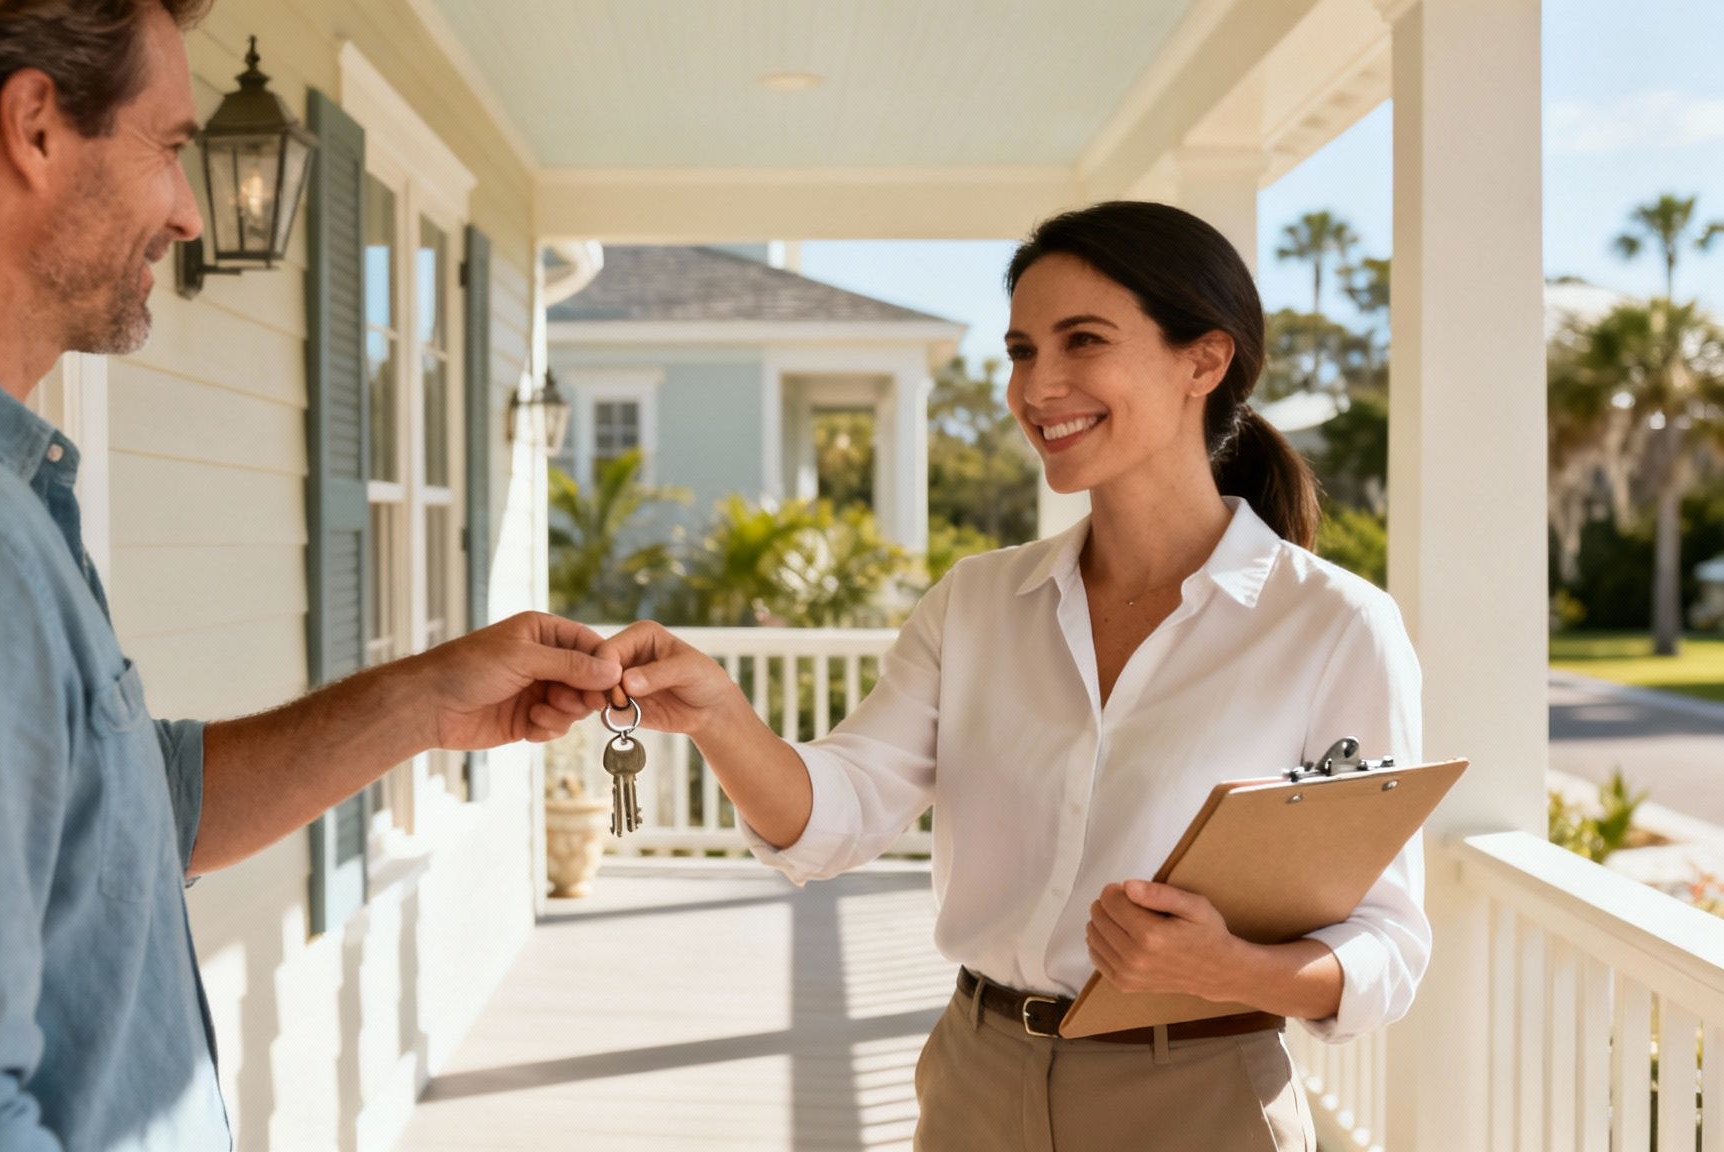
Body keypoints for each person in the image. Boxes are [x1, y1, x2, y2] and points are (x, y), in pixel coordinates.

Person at [0, 2, 619, 1149]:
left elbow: (118, 816)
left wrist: (422, 698)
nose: (184, 209)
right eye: (169, 147)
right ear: (29, 125)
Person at [573, 201, 1428, 1151]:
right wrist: (721, 718)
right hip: (977, 1082)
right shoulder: (978, 603)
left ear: (1204, 360)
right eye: (1023, 350)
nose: (1037, 386)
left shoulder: (1332, 627)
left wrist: (1234, 967)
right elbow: (836, 815)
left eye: (1083, 340)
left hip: (1200, 1099)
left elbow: (1388, 943)